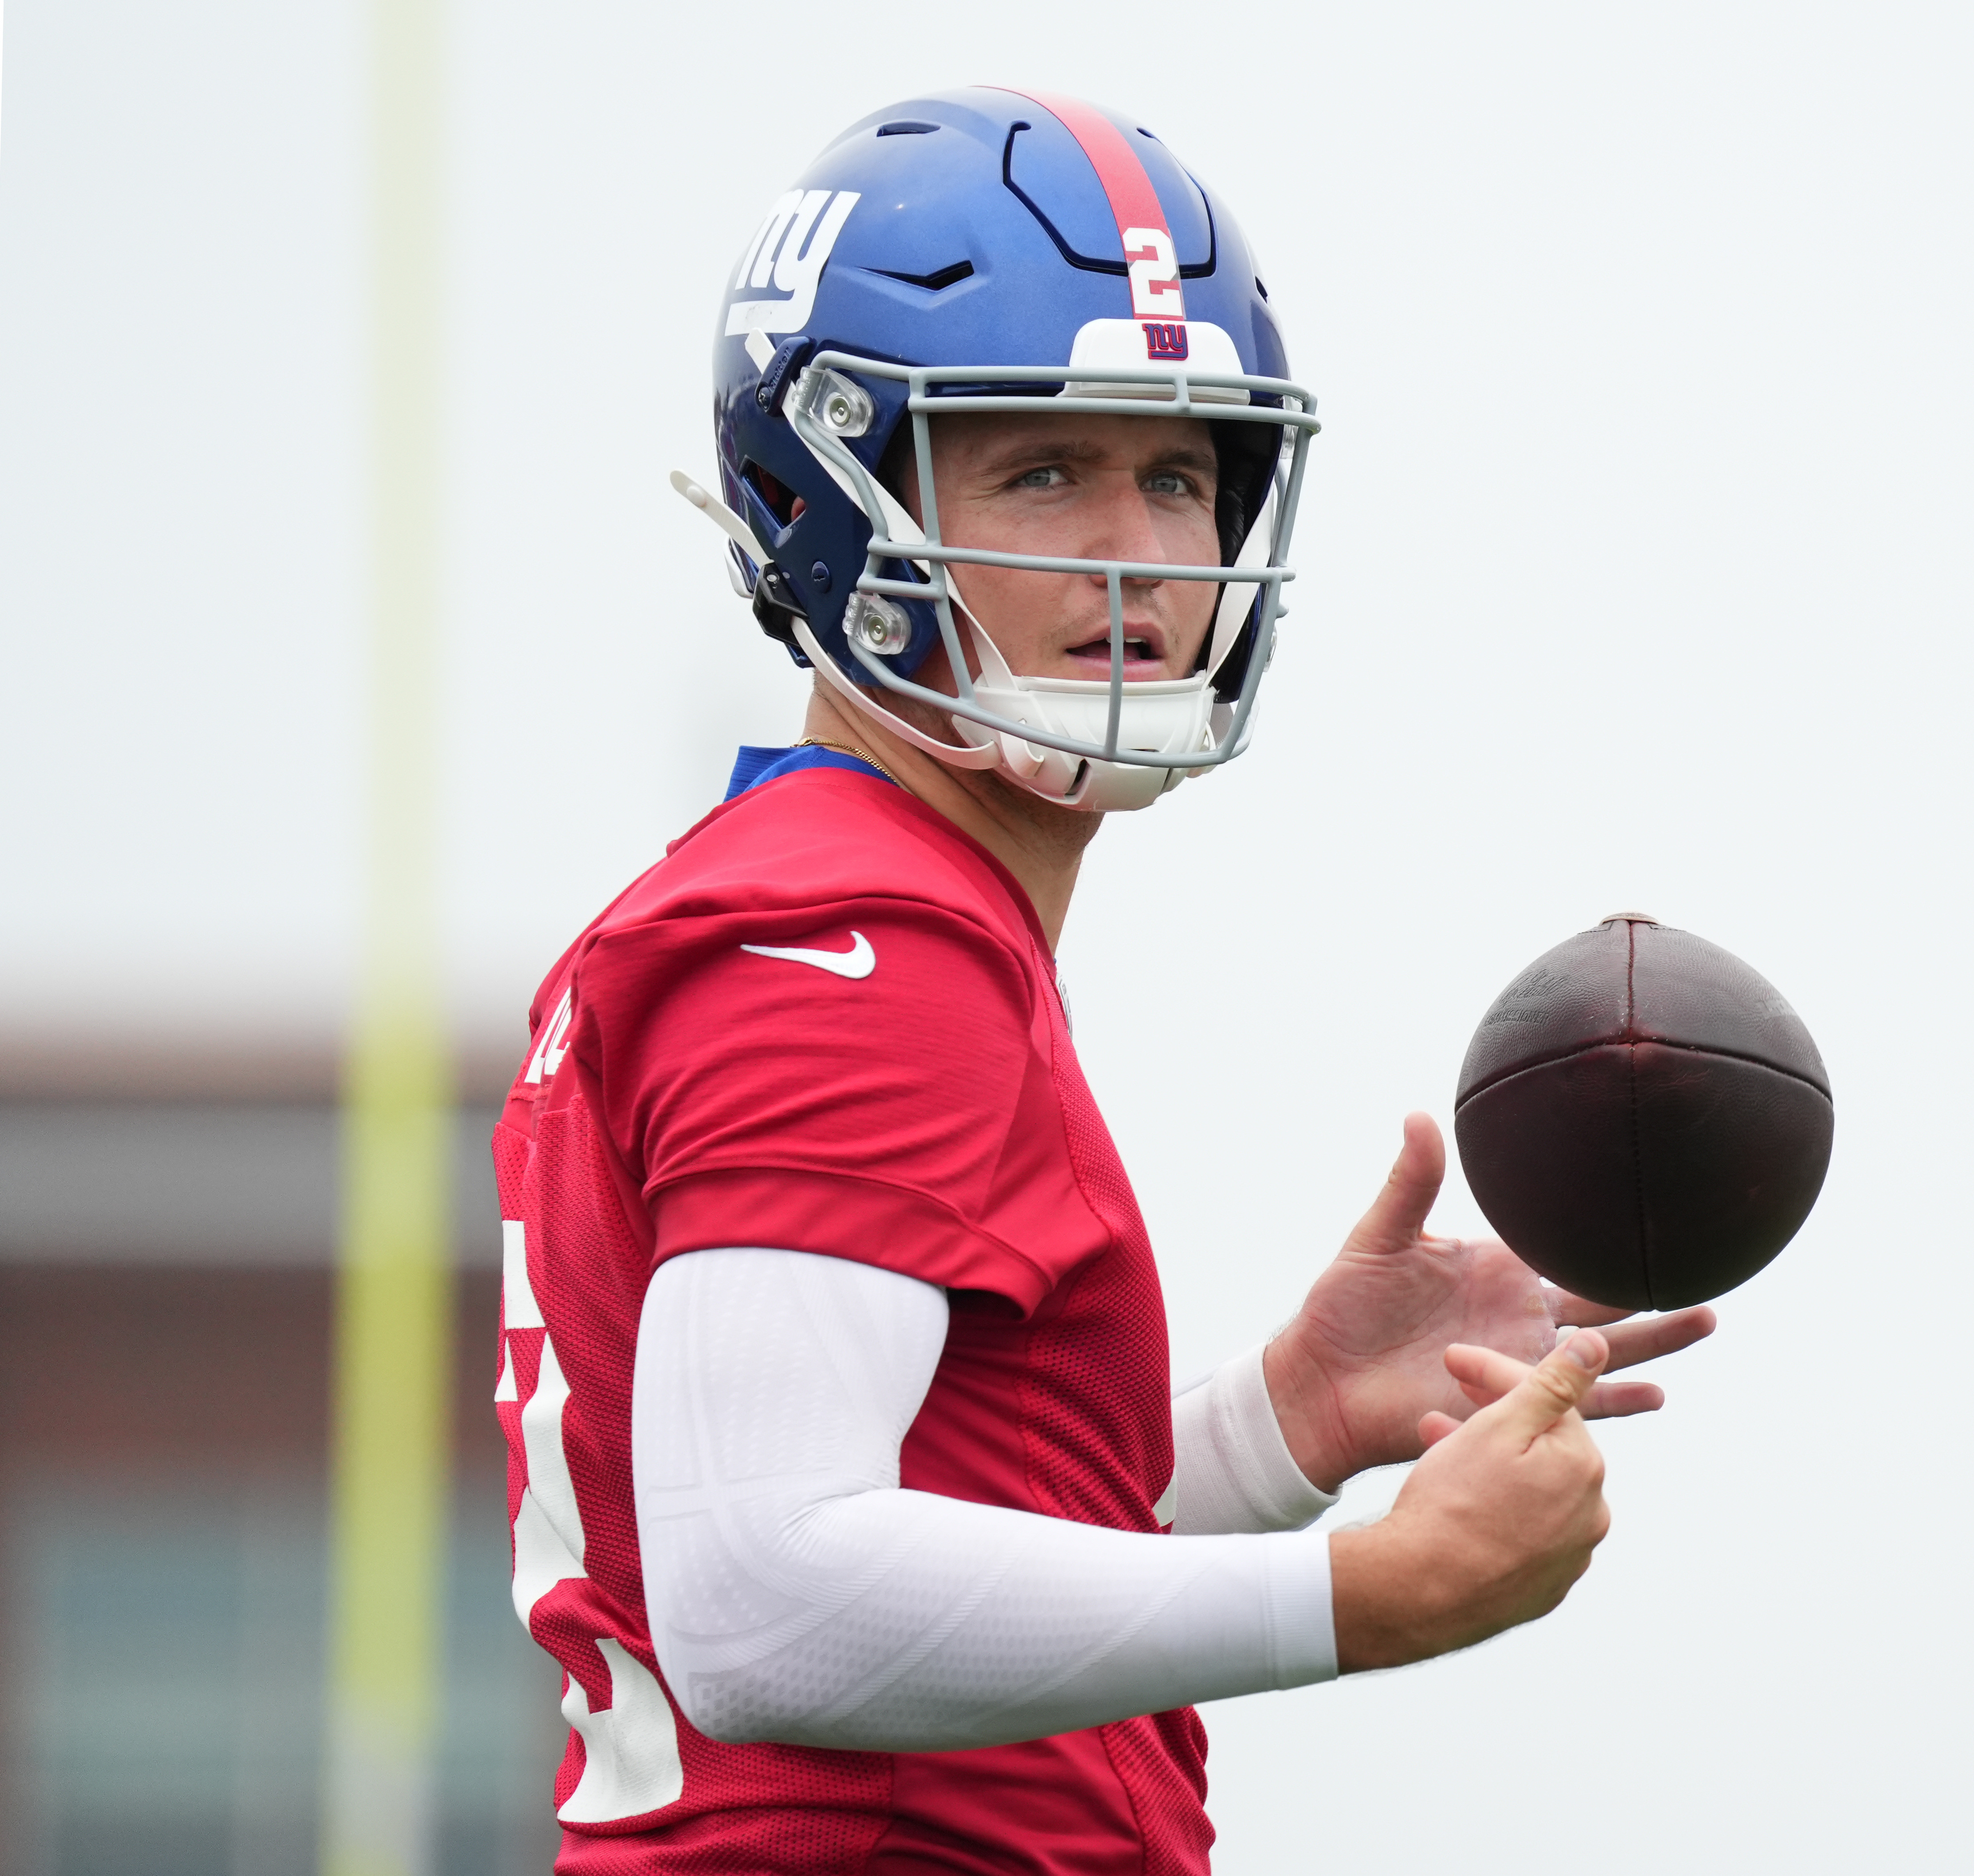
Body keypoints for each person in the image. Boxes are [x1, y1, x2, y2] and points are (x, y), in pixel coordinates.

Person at [492, 87, 1715, 1873]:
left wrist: (1272, 1424)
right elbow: (762, 1595)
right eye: (1043, 466)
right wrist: (1369, 1591)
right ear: (827, 494)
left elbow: (924, 1538)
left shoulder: (840, 909)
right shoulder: (849, 943)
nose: (1138, 554)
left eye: (1179, 472)